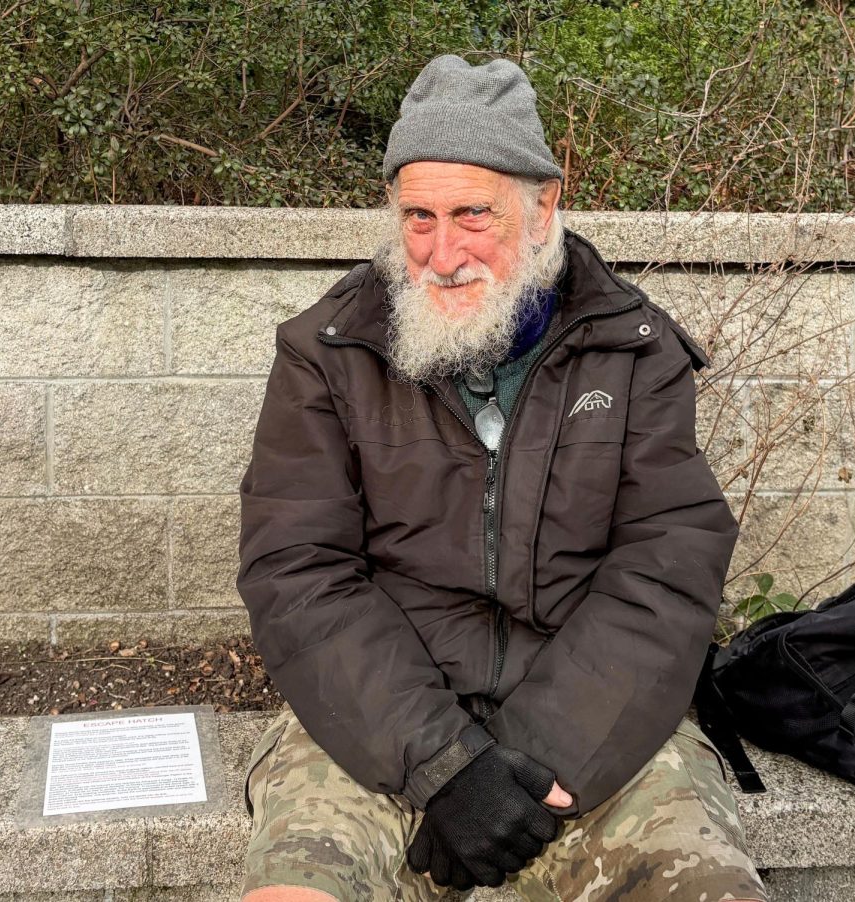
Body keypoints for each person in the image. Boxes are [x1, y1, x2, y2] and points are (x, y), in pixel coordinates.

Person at [236, 54, 767, 902]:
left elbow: (667, 565)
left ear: (543, 205)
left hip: (591, 724)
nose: (441, 253)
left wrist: (533, 762)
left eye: (472, 214)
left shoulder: (635, 353)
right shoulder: (325, 353)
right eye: (418, 217)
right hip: (382, 724)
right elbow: (298, 573)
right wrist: (447, 767)